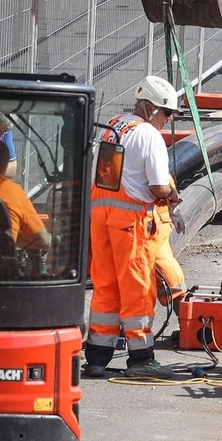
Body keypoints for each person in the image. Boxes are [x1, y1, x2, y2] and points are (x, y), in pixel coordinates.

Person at [85, 76, 183, 379]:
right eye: (167, 114)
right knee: (137, 287)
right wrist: (172, 194)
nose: (167, 121)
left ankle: (97, 357)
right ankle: (141, 358)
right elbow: (156, 185)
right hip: (130, 223)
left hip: (100, 217)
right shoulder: (148, 134)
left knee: (106, 286)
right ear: (151, 108)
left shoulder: (114, 127)